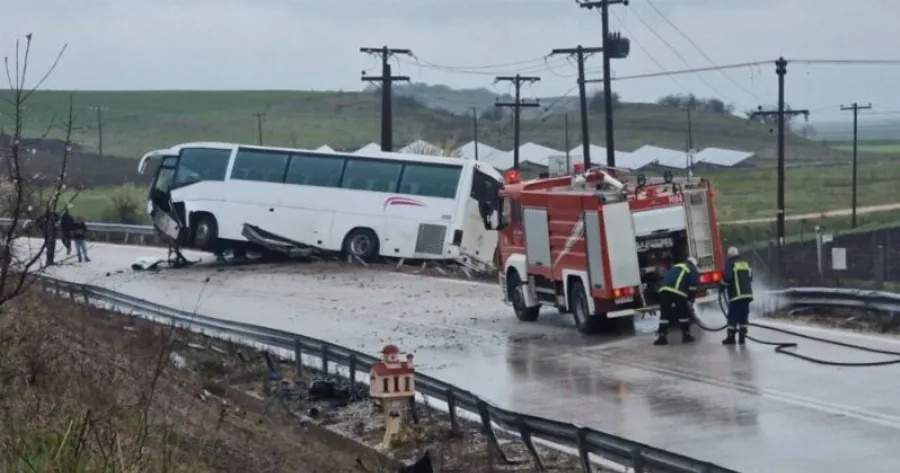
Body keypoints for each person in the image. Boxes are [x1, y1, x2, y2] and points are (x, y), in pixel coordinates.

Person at [654, 257, 700, 345]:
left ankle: (662, 337)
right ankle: (686, 336)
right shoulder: (691, 268)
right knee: (683, 314)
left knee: (664, 314)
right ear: (694, 264)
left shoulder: (676, 266)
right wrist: (691, 300)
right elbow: (693, 285)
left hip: (664, 290)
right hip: (678, 291)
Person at [721, 246, 753, 345]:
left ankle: (731, 338)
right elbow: (750, 277)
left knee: (733, 316)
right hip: (747, 295)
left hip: (736, 296)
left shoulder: (730, 263)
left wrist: (721, 284)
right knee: (744, 315)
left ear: (729, 255)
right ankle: (742, 338)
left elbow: (728, 278)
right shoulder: (746, 263)